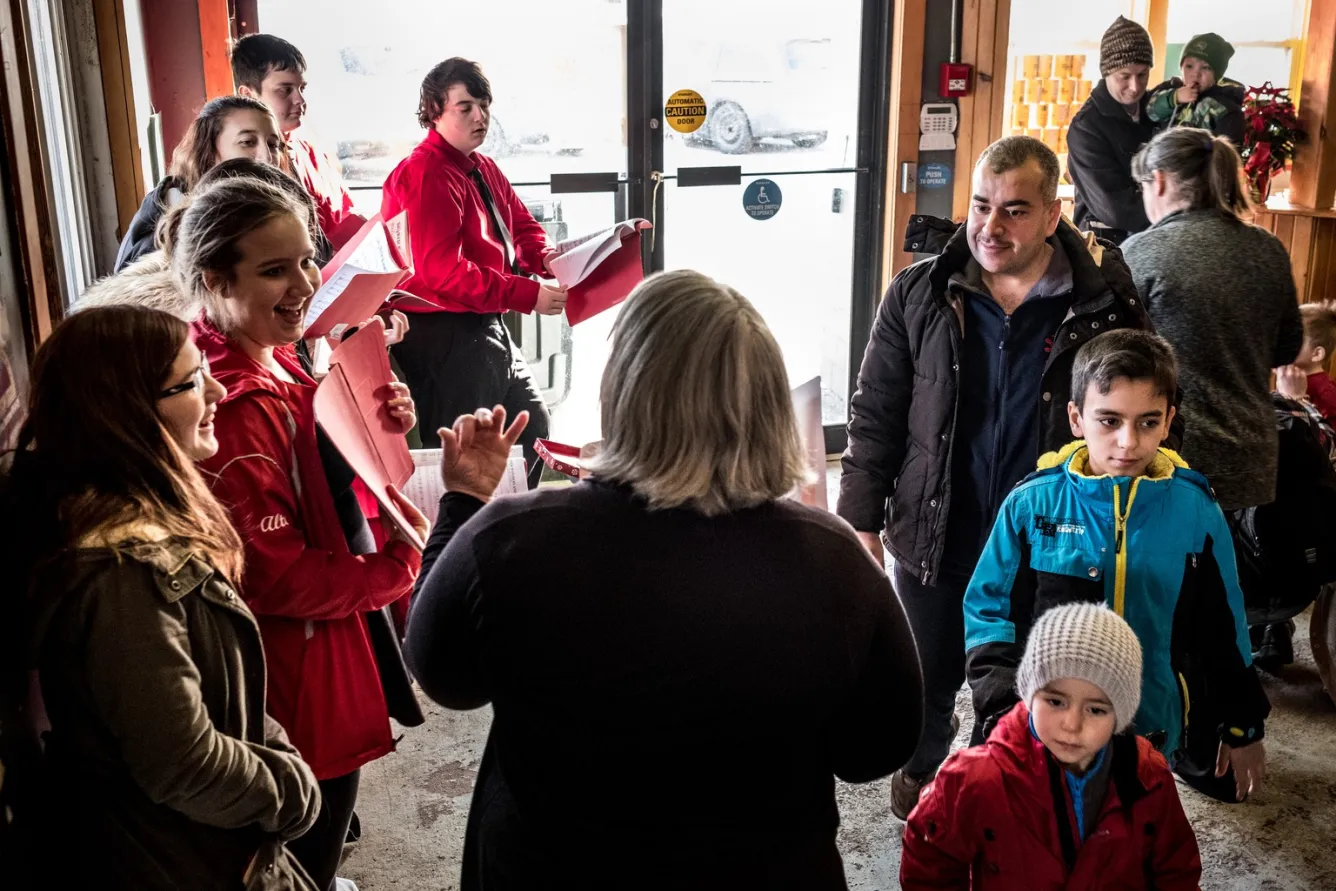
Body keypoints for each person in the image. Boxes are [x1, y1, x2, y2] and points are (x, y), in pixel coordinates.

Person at [404, 270, 923, 889]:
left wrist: (462, 501)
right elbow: (876, 748)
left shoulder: (511, 538)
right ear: (765, 406)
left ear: (622, 390)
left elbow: (440, 673)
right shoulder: (833, 558)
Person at [837, 135, 1158, 820]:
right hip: (935, 534)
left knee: (1031, 692)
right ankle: (925, 767)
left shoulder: (1103, 305)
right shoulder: (918, 291)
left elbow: (1141, 417)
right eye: (981, 206)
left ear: (1052, 214)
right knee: (925, 684)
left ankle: (1017, 808)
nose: (990, 227)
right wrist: (858, 518)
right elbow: (876, 413)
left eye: (1014, 210)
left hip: (1052, 545)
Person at [1, 305, 321, 889]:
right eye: (193, 381)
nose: (219, 390)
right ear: (124, 414)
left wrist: (275, 751)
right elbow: (183, 763)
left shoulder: (120, 530)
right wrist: (291, 793)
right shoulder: (124, 575)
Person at [172, 175, 428, 891]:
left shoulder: (267, 355)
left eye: (308, 259)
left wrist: (370, 420)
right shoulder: (235, 407)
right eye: (274, 269)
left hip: (311, 654)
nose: (305, 283)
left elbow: (316, 461)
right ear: (212, 279)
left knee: (316, 830)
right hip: (291, 674)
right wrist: (399, 567)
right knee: (304, 831)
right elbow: (274, 575)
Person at [964, 330, 1269, 804]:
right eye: (1109, 420)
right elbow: (988, 611)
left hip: (1151, 727)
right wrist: (1003, 706)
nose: (1128, 442)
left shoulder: (1196, 511)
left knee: (1127, 843)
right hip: (1046, 726)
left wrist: (1243, 723)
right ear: (1076, 418)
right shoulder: (1031, 504)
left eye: (1147, 422)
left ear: (1168, 421)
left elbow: (1225, 624)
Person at [903, 603, 1202, 890]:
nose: (1072, 724)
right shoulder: (976, 778)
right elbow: (929, 850)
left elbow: (1176, 870)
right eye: (1056, 701)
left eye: (1096, 709)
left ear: (1120, 716)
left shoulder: (1147, 776)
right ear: (1030, 694)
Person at [381, 57, 563, 486]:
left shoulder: (481, 166)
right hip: (444, 334)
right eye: (465, 107)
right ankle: (464, 546)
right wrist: (527, 294)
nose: (480, 116)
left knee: (532, 431)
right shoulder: (427, 173)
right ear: (434, 112)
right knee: (465, 462)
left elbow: (521, 227)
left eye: (484, 104)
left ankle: (509, 533)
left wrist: (550, 258)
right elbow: (442, 272)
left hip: (485, 323)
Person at [1122, 128, 1303, 512]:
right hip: (1253, 458)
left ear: (1159, 181)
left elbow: (1113, 359)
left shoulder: (1143, 252)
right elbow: (1287, 347)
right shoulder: (1267, 248)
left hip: (1171, 459)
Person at [114, 95, 284, 271]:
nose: (267, 157)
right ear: (208, 149)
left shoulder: (273, 209)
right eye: (247, 142)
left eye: (273, 144)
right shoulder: (165, 215)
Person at [233, 33, 367, 250]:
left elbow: (342, 211)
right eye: (285, 90)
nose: (300, 100)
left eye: (301, 89)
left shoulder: (311, 146)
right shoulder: (243, 168)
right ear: (248, 95)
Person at [1066, 16, 1156, 244]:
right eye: (1124, 76)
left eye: (1143, 74)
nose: (1135, 87)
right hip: (1105, 247)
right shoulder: (1085, 128)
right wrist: (1174, 212)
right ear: (1106, 72)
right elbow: (1115, 208)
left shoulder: (1158, 110)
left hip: (1154, 237)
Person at [1146, 34, 1246, 149]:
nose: (1196, 74)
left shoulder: (1224, 108)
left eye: (1206, 68)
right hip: (1160, 160)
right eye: (1189, 66)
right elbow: (1149, 112)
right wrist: (1174, 98)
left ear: (1216, 76)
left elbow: (1227, 154)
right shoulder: (1170, 89)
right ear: (1181, 68)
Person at [1276, 301, 1336, 422]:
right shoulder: (1288, 379)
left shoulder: (1327, 394)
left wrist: (1296, 401)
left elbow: (1326, 438)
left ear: (1317, 354)